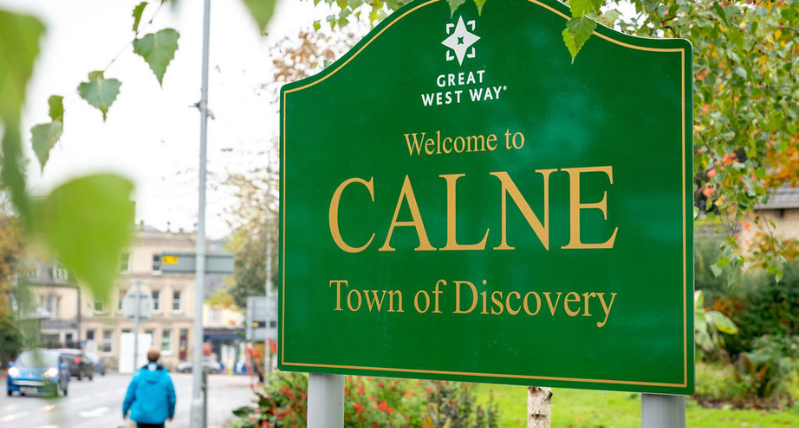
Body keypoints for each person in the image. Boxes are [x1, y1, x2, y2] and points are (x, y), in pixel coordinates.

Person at [123, 348, 177, 428]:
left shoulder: (138, 375)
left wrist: (124, 411)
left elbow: (129, 396)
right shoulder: (165, 376)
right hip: (159, 417)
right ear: (158, 358)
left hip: (141, 416)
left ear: (147, 357)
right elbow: (172, 398)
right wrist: (171, 414)